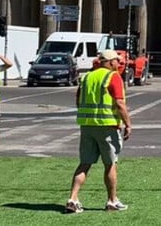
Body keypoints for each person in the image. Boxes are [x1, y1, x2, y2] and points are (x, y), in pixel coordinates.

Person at [65, 49, 132, 214]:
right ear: (110, 62)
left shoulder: (87, 77)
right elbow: (120, 103)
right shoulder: (113, 76)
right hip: (108, 126)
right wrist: (128, 124)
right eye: (116, 60)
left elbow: (78, 99)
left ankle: (72, 199)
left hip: (87, 125)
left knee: (85, 163)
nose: (119, 63)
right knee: (110, 165)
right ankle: (112, 201)